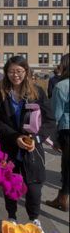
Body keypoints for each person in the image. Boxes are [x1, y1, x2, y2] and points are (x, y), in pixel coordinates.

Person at [0, 56, 56, 233]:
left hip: (32, 148)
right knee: (10, 184)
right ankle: (11, 216)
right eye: (11, 71)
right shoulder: (0, 92)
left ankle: (34, 218)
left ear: (26, 72)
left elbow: (49, 121)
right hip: (8, 145)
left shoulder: (37, 92)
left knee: (33, 186)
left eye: (19, 71)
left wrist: (37, 139)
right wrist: (15, 137)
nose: (15, 75)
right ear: (6, 73)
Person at [46, 53, 69, 212]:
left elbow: (55, 114)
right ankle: (62, 197)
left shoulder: (62, 86)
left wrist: (53, 139)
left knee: (67, 167)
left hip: (67, 130)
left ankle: (63, 197)